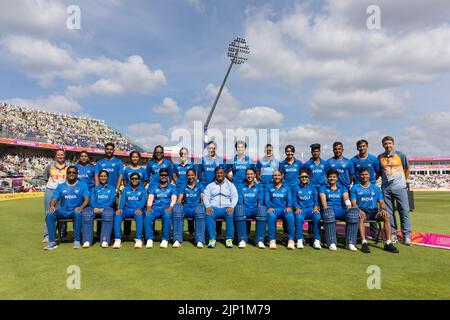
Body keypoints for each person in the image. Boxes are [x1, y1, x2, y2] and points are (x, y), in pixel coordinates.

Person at [350, 167, 399, 253]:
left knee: (386, 216)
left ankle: (388, 243)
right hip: (362, 210)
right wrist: (358, 210)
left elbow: (382, 202)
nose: (364, 176)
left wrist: (383, 210)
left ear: (369, 175)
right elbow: (354, 203)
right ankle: (364, 243)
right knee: (360, 217)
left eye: (366, 174)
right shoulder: (355, 188)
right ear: (359, 176)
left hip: (374, 211)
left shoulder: (376, 188)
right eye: (362, 174)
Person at [44, 166, 89, 250]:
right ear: (66, 174)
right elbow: (54, 198)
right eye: (69, 172)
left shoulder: (82, 185)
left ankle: (77, 241)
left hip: (75, 211)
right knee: (49, 214)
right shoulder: (61, 186)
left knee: (78, 213)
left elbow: (86, 199)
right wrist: (52, 206)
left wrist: (81, 207)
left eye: (73, 172)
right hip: (63, 211)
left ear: (77, 174)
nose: (71, 174)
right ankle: (52, 241)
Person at [378, 136, 412, 245]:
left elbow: (407, 169)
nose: (388, 145)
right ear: (383, 145)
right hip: (386, 189)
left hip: (400, 188)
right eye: (385, 144)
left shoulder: (400, 155)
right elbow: (379, 172)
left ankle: (406, 235)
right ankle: (393, 234)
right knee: (389, 212)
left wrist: (403, 182)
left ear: (393, 144)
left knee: (404, 211)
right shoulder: (380, 157)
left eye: (389, 143)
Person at [319, 169, 359, 251]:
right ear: (327, 177)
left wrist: (349, 206)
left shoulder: (342, 187)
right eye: (330, 177)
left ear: (337, 178)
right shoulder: (323, 187)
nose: (332, 179)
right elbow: (323, 202)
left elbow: (346, 198)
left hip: (341, 210)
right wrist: (326, 207)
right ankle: (332, 242)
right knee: (329, 213)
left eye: (334, 177)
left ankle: (350, 243)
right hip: (328, 210)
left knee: (353, 212)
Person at [351, 139, 381, 238]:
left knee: (372, 208)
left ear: (367, 146)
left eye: (364, 146)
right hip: (358, 188)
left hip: (370, 188)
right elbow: (352, 174)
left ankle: (374, 234)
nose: (362, 148)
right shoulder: (353, 160)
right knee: (358, 210)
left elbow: (378, 172)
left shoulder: (373, 159)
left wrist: (371, 182)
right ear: (357, 148)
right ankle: (359, 235)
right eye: (360, 146)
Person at [95, 143, 125, 237]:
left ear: (113, 150)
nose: (109, 151)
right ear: (105, 150)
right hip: (102, 191)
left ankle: (114, 233)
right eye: (107, 149)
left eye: (111, 149)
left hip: (113, 191)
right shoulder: (100, 162)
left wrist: (116, 189)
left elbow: (120, 176)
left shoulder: (118, 162)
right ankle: (100, 233)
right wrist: (97, 188)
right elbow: (96, 175)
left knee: (114, 211)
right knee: (100, 210)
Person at [203, 167, 238, 248]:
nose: (220, 174)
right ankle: (212, 239)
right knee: (209, 214)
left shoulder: (230, 185)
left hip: (226, 208)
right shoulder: (210, 186)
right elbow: (206, 197)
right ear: (215, 174)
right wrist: (208, 206)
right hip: (214, 208)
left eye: (221, 173)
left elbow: (235, 196)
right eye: (218, 173)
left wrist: (232, 206)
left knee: (230, 214)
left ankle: (229, 239)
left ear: (225, 174)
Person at [81, 170, 116, 248]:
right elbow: (92, 200)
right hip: (95, 208)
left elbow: (112, 200)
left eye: (105, 176)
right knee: (86, 213)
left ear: (107, 177)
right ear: (99, 177)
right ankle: (87, 240)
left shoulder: (112, 188)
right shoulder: (94, 189)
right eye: (101, 176)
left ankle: (105, 240)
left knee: (108, 214)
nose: (103, 178)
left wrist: (103, 208)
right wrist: (94, 207)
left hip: (107, 208)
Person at [144, 168, 177, 248]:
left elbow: (174, 199)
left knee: (167, 216)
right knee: (148, 215)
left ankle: (165, 239)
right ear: (159, 176)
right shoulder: (154, 187)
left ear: (168, 176)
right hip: (156, 208)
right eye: (162, 175)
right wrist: (148, 207)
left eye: (165, 175)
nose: (163, 177)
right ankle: (149, 239)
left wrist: (170, 208)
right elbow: (150, 198)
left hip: (167, 208)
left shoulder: (172, 187)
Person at [112, 172, 147, 249]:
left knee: (138, 215)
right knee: (118, 215)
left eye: (136, 178)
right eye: (133, 178)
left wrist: (139, 209)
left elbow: (143, 201)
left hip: (138, 210)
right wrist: (120, 209)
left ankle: (138, 239)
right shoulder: (126, 189)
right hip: (127, 210)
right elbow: (123, 200)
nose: (134, 180)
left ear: (139, 180)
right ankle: (117, 239)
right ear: (130, 180)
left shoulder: (143, 189)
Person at [173, 168, 205, 248]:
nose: (190, 177)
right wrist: (177, 207)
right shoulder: (183, 185)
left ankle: (200, 240)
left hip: (196, 207)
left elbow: (202, 199)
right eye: (188, 175)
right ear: (186, 176)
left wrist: (203, 207)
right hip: (187, 207)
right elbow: (179, 199)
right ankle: (177, 240)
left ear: (195, 176)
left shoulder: (200, 185)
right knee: (177, 210)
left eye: (192, 175)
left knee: (200, 210)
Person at [42, 149, 70, 243]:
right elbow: (46, 178)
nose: (60, 156)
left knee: (62, 213)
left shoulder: (69, 166)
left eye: (62, 154)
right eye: (58, 155)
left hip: (64, 192)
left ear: (64, 155)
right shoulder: (50, 166)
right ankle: (47, 235)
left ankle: (63, 234)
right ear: (55, 155)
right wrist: (52, 187)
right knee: (48, 212)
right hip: (50, 191)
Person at [235, 168, 265, 249]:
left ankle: (259, 240)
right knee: (239, 209)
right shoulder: (241, 186)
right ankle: (242, 240)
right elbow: (240, 200)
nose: (249, 176)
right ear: (245, 175)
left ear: (254, 175)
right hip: (245, 209)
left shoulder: (259, 187)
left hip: (255, 209)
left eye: (251, 174)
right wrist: (242, 208)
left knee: (262, 210)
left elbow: (260, 200)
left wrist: (259, 209)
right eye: (248, 174)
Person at [265, 170, 295, 250]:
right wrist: (269, 207)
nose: (277, 177)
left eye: (278, 175)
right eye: (275, 175)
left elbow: (290, 199)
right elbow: (266, 200)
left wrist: (289, 206)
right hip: (273, 209)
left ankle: (291, 240)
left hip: (283, 209)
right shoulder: (269, 186)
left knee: (290, 215)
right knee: (271, 216)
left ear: (282, 176)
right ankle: (272, 240)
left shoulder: (286, 187)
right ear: (273, 176)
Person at [292, 169, 321, 250]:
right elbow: (293, 201)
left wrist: (315, 207)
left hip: (310, 210)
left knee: (317, 217)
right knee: (298, 217)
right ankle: (299, 239)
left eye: (306, 177)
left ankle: (317, 240)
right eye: (302, 177)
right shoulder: (295, 187)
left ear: (308, 178)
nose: (304, 178)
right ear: (299, 178)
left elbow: (316, 200)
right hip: (301, 210)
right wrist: (297, 208)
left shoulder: (312, 187)